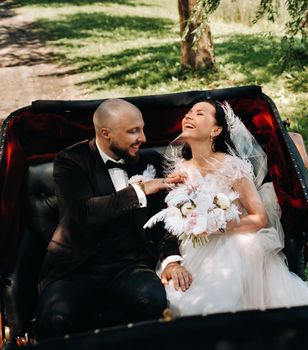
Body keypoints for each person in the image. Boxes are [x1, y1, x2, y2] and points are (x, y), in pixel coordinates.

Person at [35, 98, 192, 339]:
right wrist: (140, 191)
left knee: (153, 300)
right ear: (106, 134)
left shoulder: (149, 162)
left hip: (129, 266)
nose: (143, 138)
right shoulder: (71, 161)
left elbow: (163, 219)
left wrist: (171, 260)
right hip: (75, 269)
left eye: (142, 128)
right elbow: (84, 214)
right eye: (133, 131)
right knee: (57, 316)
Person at [156, 100, 308, 317]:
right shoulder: (180, 167)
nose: (189, 116)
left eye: (200, 113)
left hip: (234, 242)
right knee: (175, 297)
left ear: (216, 130)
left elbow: (259, 218)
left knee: (212, 302)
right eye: (189, 112)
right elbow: (175, 216)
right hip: (192, 245)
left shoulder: (230, 166)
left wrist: (217, 226)